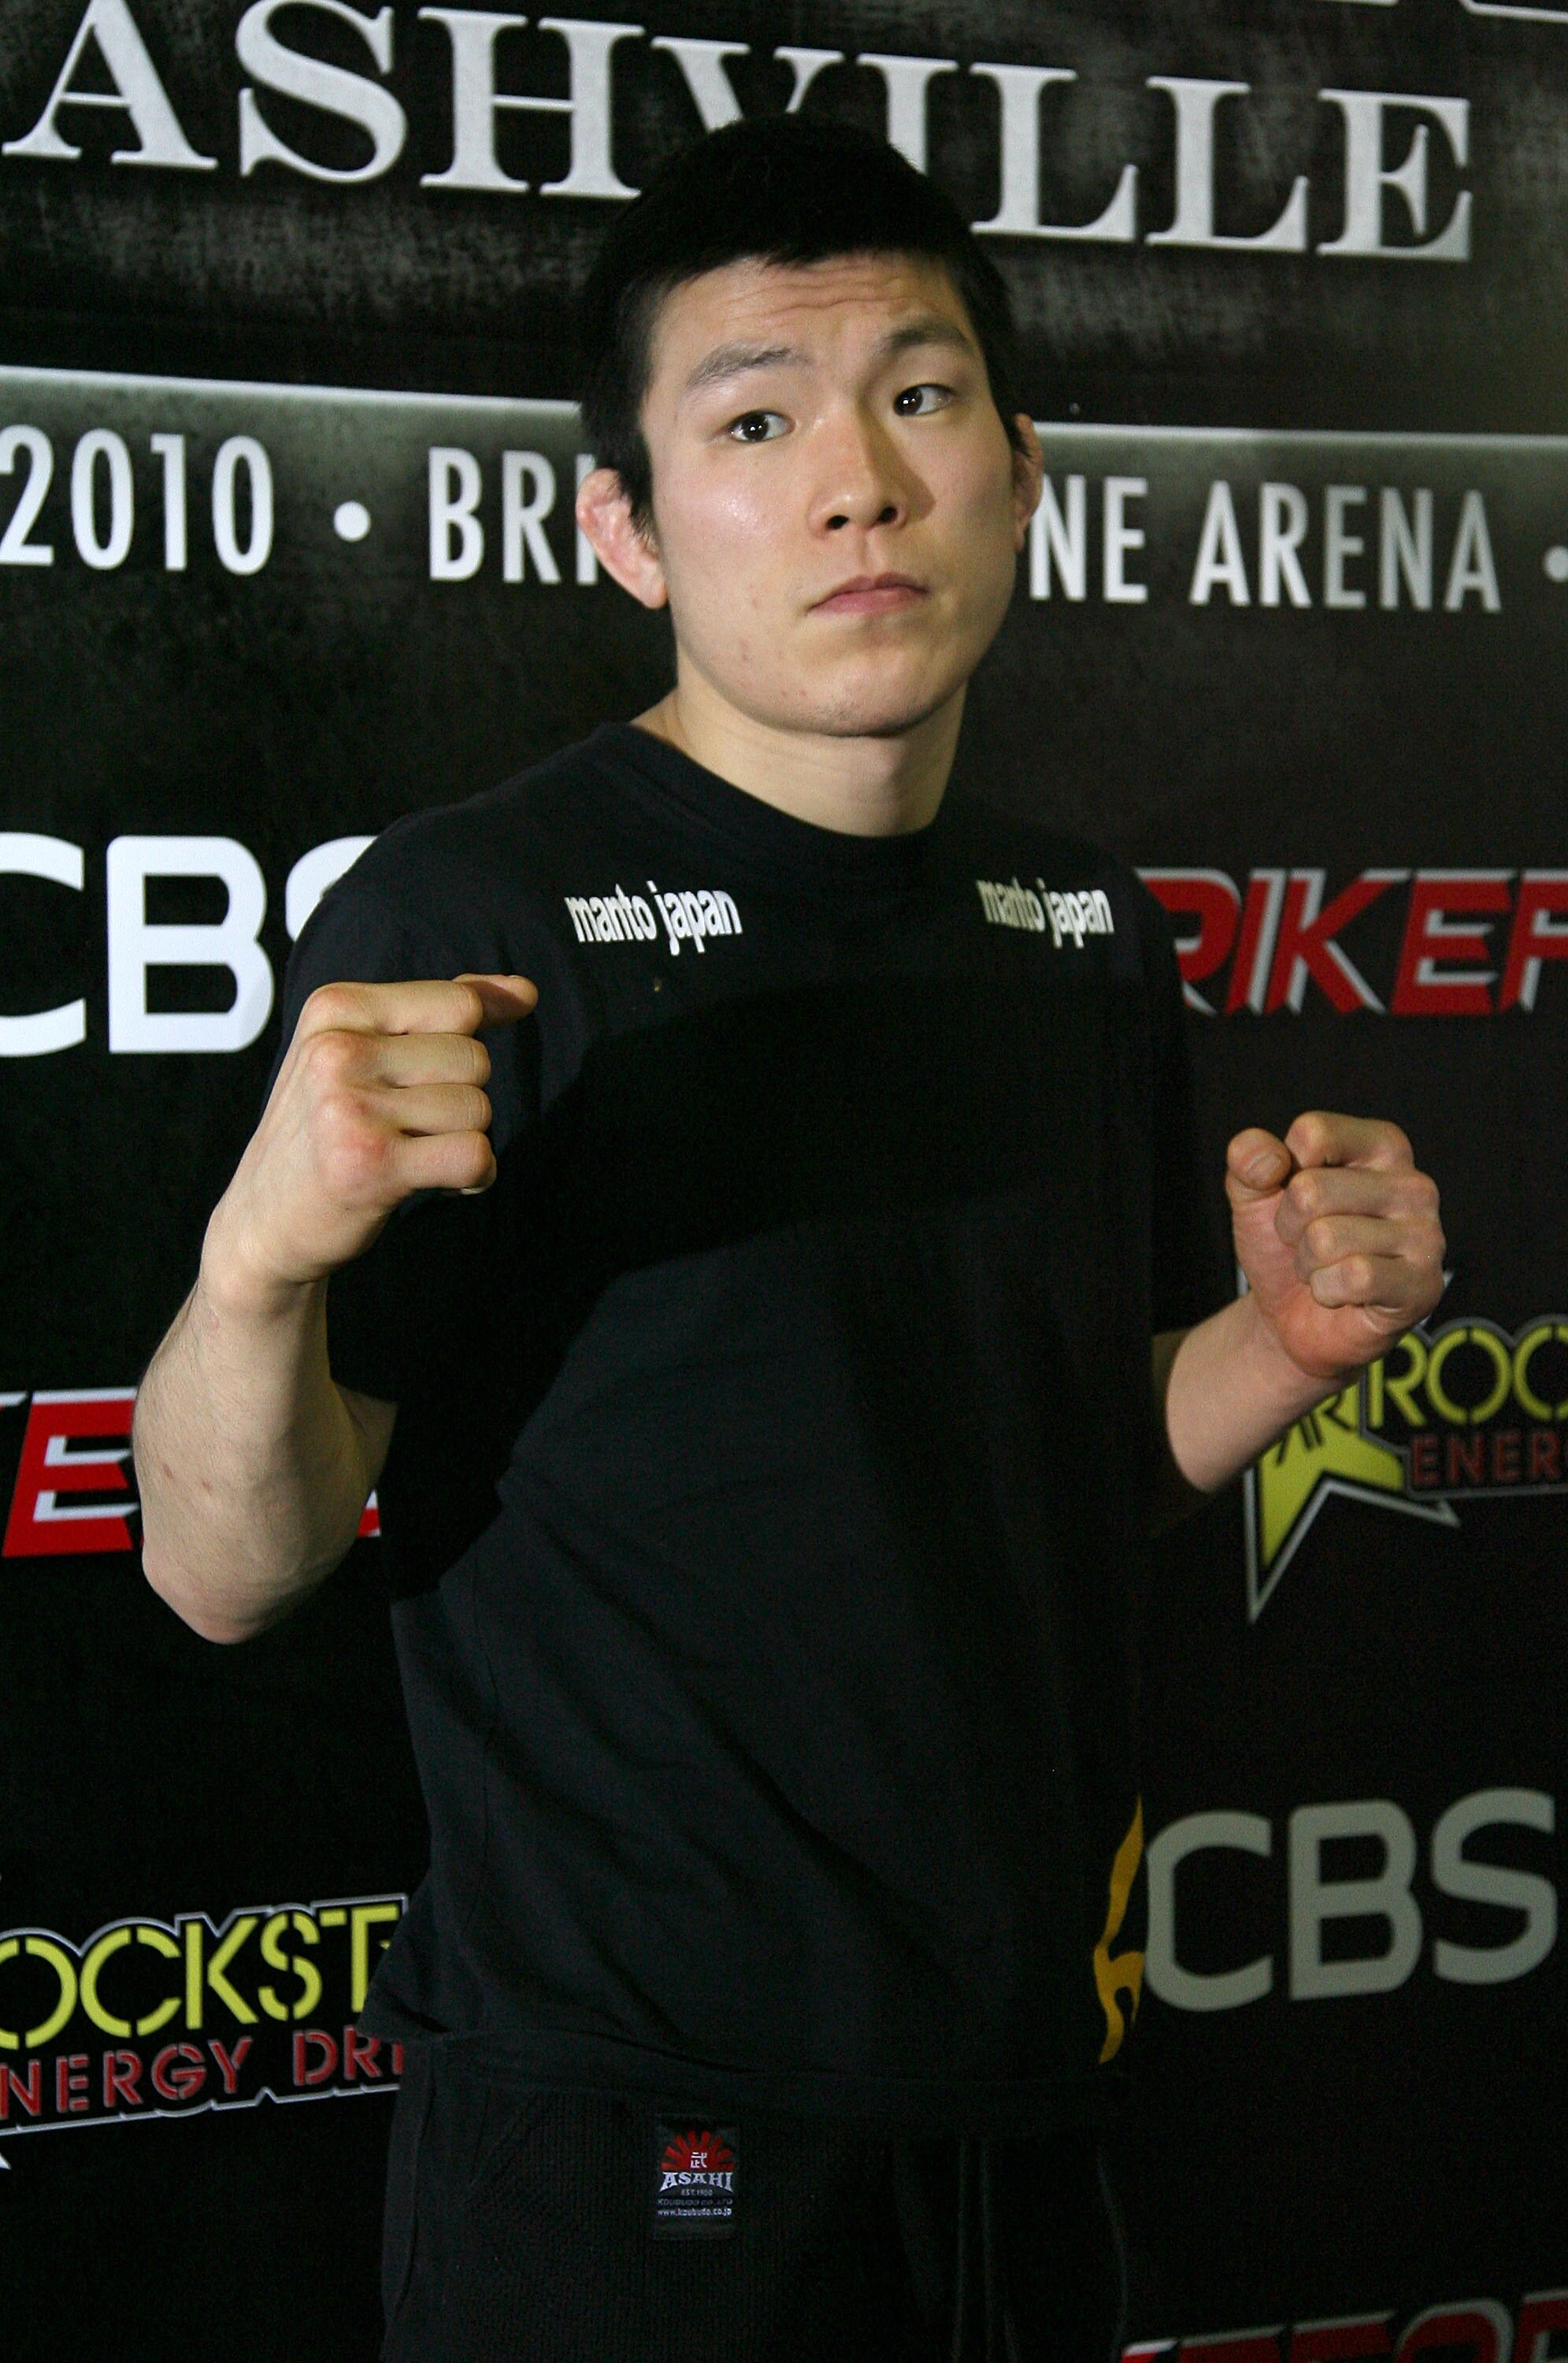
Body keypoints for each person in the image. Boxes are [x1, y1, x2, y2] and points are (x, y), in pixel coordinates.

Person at [134, 117, 1444, 2363]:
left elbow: (1073, 1458)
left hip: (1020, 2095)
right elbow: (224, 1565)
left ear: (1021, 469)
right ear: (622, 530)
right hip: (630, 2138)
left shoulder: (1085, 931)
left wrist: (1286, 1346)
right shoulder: (478, 921)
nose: (858, 482)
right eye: (755, 420)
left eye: (918, 399)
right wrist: (258, 1261)